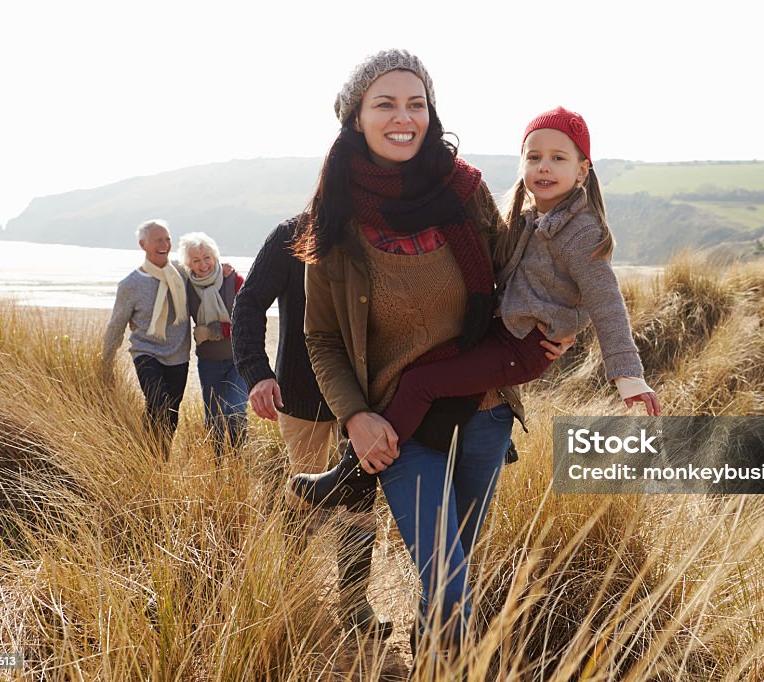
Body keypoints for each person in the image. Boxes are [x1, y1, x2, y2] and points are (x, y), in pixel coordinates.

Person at [291, 49, 574, 653]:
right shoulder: (335, 219)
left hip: (484, 409)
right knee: (447, 577)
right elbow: (322, 338)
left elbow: (514, 274)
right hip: (398, 425)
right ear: (356, 117)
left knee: (451, 572)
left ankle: (432, 656)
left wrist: (565, 314)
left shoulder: (466, 192)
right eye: (385, 103)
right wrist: (355, 417)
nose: (404, 117)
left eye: (416, 104)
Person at [291, 106, 661, 511]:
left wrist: (628, 376)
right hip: (507, 335)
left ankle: (355, 476)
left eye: (559, 158)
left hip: (523, 347)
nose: (544, 167)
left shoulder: (580, 230)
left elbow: (605, 300)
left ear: (582, 170)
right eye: (534, 157)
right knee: (427, 367)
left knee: (420, 383)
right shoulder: (530, 218)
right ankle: (463, 449)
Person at [229, 214, 392, 637]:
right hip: (300, 394)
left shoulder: (382, 230)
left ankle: (354, 602)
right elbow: (247, 304)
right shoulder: (292, 234)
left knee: (360, 496)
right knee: (305, 494)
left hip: (367, 396)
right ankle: (290, 581)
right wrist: (257, 372)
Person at [102, 219, 191, 456]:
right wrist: (106, 362)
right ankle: (148, 455)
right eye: (158, 240)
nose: (165, 244)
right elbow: (116, 326)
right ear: (143, 244)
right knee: (159, 403)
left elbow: (207, 273)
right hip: (146, 353)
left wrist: (224, 269)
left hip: (179, 354)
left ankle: (159, 458)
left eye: (168, 239)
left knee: (170, 412)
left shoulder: (182, 272)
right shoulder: (130, 284)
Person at [178, 232, 249, 453]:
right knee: (214, 417)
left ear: (215, 256)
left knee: (235, 410)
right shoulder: (186, 285)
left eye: (207, 257)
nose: (203, 264)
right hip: (208, 362)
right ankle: (217, 467)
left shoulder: (234, 280)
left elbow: (248, 319)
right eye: (196, 260)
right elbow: (164, 267)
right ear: (188, 263)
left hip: (239, 360)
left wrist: (212, 331)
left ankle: (239, 466)